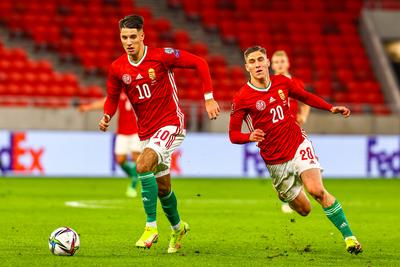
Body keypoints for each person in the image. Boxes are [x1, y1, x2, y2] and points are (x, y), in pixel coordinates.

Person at [98, 15, 220, 253]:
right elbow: (112, 98)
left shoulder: (161, 56)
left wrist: (209, 98)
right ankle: (178, 228)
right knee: (163, 188)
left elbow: (200, 63)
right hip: (146, 132)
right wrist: (106, 116)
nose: (129, 41)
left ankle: (150, 227)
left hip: (171, 124)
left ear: (142, 36)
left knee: (142, 165)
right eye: (124, 37)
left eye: (133, 36)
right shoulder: (117, 68)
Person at [229, 46, 362, 254]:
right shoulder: (242, 97)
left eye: (260, 60)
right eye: (252, 62)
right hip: (275, 160)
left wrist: (330, 108)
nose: (257, 65)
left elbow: (305, 97)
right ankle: (284, 192)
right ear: (247, 67)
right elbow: (233, 135)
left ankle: (350, 238)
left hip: (297, 143)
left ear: (267, 63)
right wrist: (249, 136)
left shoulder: (282, 82)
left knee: (317, 190)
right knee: (305, 210)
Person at [271, 50, 311, 214]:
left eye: (282, 61)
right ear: (272, 65)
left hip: (293, 131)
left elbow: (306, 101)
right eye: (277, 62)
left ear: (287, 64)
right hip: (275, 133)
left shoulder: (296, 83)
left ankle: (295, 197)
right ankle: (288, 196)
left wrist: (303, 116)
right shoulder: (268, 83)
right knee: (280, 169)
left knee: (297, 165)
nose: (280, 64)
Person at [79, 92, 140, 198]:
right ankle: (136, 176)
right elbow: (106, 102)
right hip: (122, 132)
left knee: (136, 159)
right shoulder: (120, 94)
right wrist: (88, 107)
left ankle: (133, 186)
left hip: (136, 132)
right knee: (120, 160)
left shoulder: (138, 91)